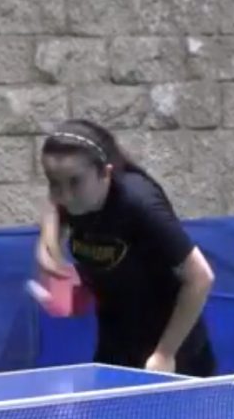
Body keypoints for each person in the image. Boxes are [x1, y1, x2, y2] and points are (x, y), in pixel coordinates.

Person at [35, 119, 217, 377]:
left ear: (105, 173)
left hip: (171, 353)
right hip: (115, 344)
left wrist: (165, 354)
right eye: (54, 182)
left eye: (74, 182)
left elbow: (200, 277)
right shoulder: (77, 199)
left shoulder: (139, 204)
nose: (64, 195)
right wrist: (47, 249)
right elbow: (53, 205)